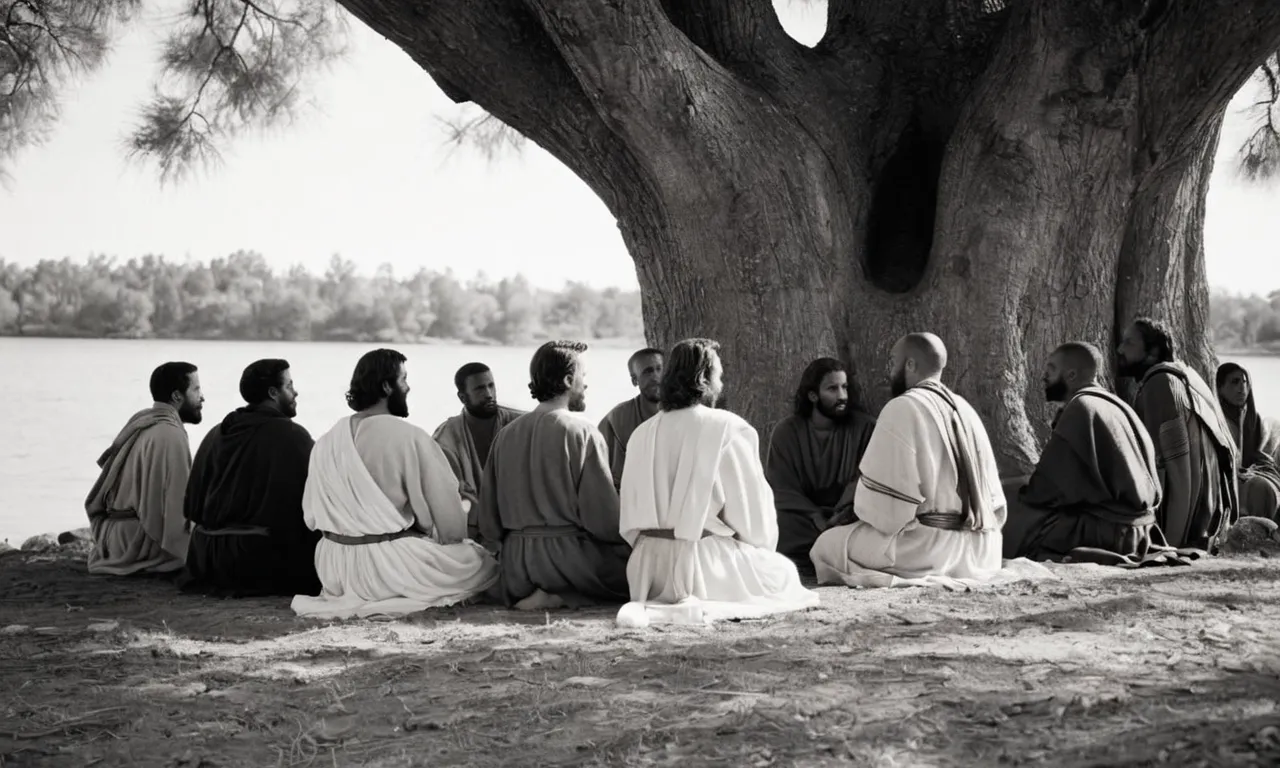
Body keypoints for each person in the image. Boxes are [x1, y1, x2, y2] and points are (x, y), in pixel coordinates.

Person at [616, 338, 820, 628]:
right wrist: (755, 546)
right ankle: (687, 604)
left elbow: (628, 521)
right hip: (703, 566)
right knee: (783, 572)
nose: (721, 384)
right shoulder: (726, 427)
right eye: (719, 376)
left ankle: (662, 604)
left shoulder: (641, 433)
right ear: (705, 379)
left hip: (646, 568)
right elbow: (751, 516)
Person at [292, 349, 498, 618]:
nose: (408, 386)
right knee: (481, 562)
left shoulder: (327, 440)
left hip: (333, 567)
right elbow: (451, 529)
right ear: (387, 386)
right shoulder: (409, 436)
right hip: (387, 568)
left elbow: (311, 515)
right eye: (403, 379)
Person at [810, 333, 1007, 587]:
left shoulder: (902, 406)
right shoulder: (966, 409)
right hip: (984, 551)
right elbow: (996, 505)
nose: (890, 371)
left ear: (910, 365)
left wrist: (852, 513)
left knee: (827, 545)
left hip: (929, 550)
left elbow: (887, 514)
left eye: (893, 362)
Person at [476, 340, 631, 610]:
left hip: (517, 564)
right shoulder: (582, 433)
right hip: (569, 560)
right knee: (639, 573)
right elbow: (604, 521)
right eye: (584, 377)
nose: (586, 385)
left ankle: (536, 593)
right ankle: (562, 596)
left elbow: (489, 522)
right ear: (569, 379)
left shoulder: (505, 435)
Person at [1003, 342, 1173, 563]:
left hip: (1109, 532)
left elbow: (1042, 491)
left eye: (1051, 368)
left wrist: (1015, 488)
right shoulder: (1117, 404)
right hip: (1140, 531)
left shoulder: (1080, 407)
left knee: (1013, 503)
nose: (1044, 375)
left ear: (1071, 374)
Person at [181, 359, 320, 596]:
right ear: (273, 393)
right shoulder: (293, 436)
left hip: (206, 558)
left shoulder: (216, 433)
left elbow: (191, 506)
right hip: (257, 561)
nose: (295, 392)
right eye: (289, 386)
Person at [1117, 317, 1239, 549]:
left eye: (1129, 343)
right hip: (1213, 521)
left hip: (1191, 527)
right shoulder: (1187, 376)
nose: (1119, 349)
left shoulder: (1161, 384)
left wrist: (1169, 543)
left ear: (1152, 352)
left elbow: (1176, 469)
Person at [84, 362, 204, 576]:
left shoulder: (144, 420)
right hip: (136, 544)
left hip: (111, 537)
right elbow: (177, 511)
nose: (202, 397)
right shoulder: (170, 434)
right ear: (177, 396)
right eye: (196, 389)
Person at [766, 357, 876, 564]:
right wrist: (813, 514)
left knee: (872, 526)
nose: (842, 396)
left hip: (849, 516)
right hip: (804, 519)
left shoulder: (865, 428)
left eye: (845, 387)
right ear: (813, 395)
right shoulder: (786, 432)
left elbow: (867, 478)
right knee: (773, 525)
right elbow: (781, 487)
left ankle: (831, 546)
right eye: (832, 389)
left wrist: (843, 513)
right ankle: (833, 548)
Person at [432, 362, 525, 537]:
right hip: (471, 531)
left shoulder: (520, 423)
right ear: (463, 397)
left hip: (518, 527)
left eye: (491, 386)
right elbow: (447, 492)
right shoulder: (446, 436)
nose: (489, 394)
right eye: (480, 389)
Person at [1216, 362, 1280, 521]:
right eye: (1234, 382)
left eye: (1245, 382)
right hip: (1221, 478)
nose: (1241, 388)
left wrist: (1261, 459)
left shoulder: (1252, 418)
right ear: (1220, 388)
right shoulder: (1215, 419)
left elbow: (1252, 453)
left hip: (1248, 472)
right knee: (1259, 488)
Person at [599, 348, 665, 489]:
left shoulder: (683, 414)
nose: (656, 377)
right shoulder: (617, 420)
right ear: (635, 380)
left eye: (660, 369)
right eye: (648, 372)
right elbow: (607, 477)